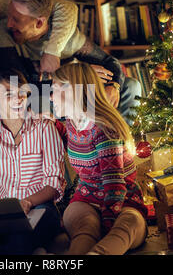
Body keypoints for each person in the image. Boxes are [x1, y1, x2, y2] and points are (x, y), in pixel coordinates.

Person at [0, 0, 142, 124]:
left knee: (131, 86)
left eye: (16, 20)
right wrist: (80, 75)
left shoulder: (66, 37)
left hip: (67, 93)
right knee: (40, 102)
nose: (9, 24)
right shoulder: (1, 34)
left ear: (40, 22)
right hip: (36, 97)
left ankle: (121, 144)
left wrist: (114, 86)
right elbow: (20, 85)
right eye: (9, 15)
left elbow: (110, 62)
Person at [50, 61, 147, 255]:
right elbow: (74, 138)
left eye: (54, 90)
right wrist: (51, 125)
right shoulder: (71, 122)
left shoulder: (104, 129)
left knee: (125, 227)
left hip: (122, 199)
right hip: (87, 195)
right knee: (84, 229)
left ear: (73, 91)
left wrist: (107, 222)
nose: (50, 97)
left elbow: (115, 186)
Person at [0, 68, 66, 254]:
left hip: (40, 207)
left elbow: (54, 182)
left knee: (19, 236)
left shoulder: (45, 128)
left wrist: (27, 203)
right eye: (9, 94)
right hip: (2, 211)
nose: (19, 99)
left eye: (22, 93)